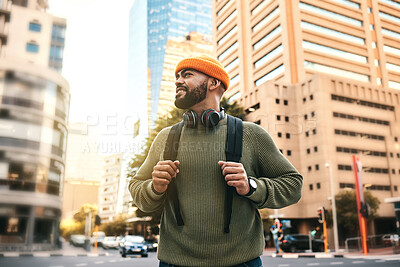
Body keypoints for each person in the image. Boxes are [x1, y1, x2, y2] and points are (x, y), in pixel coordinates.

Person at [129, 55, 303, 266]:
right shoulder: (165, 138)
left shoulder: (251, 134)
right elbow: (137, 190)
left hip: (242, 263)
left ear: (213, 82)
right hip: (175, 263)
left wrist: (251, 186)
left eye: (187, 74)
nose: (177, 81)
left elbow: (293, 184)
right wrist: (154, 187)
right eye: (177, 76)